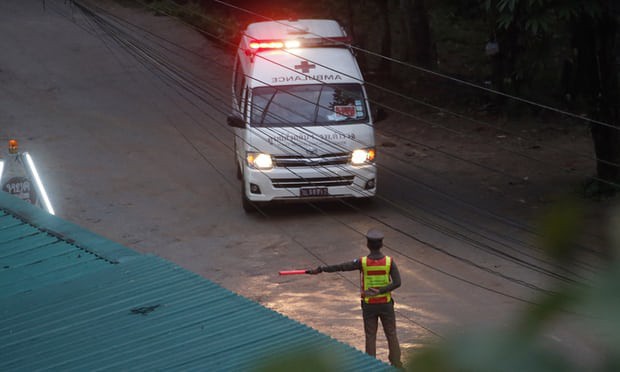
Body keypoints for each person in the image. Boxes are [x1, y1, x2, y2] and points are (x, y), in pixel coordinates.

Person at [307, 229, 403, 368]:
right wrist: (381, 291)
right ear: (382, 244)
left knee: (370, 336)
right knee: (391, 334)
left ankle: (371, 365)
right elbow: (397, 282)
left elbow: (342, 266)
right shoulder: (389, 262)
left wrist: (321, 269)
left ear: (367, 245)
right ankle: (396, 363)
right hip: (386, 304)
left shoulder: (362, 262)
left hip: (369, 305)